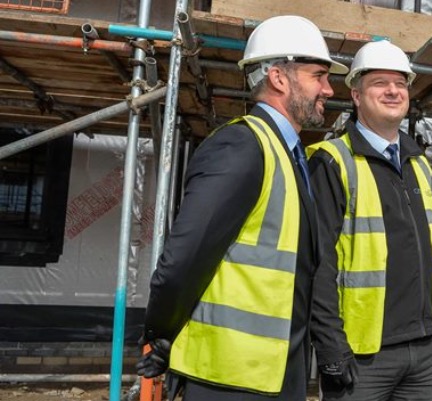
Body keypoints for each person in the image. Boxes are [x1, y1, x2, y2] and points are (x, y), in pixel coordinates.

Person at [135, 15, 348, 400]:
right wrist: (162, 333)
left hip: (274, 374)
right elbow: (184, 258)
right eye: (318, 76)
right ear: (279, 78)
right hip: (228, 379)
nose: (329, 89)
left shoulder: (289, 155)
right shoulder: (243, 146)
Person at [307, 40, 432, 401]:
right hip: (362, 356)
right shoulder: (332, 162)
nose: (393, 91)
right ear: (356, 95)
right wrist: (330, 344)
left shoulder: (418, 164)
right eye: (380, 83)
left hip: (423, 352)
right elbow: (318, 263)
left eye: (400, 83)